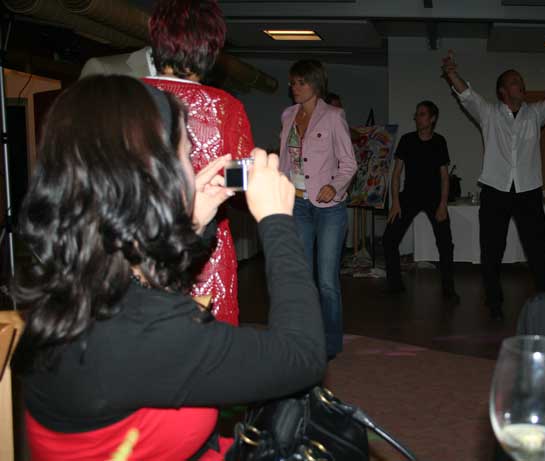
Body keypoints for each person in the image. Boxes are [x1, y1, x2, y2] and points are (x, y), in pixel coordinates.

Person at [11, 75, 325, 461]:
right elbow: (302, 355)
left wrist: (190, 225)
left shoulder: (71, 283)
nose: (191, 168)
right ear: (155, 176)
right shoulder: (146, 329)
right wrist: (277, 222)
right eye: (184, 156)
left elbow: (144, 285)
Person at [441, 50, 545, 320]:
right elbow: (466, 95)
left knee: (539, 250)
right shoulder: (489, 113)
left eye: (521, 81)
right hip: (495, 190)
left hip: (528, 191)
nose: (521, 84)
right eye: (515, 81)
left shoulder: (535, 113)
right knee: (491, 250)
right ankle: (494, 303)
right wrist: (451, 73)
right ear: (503, 91)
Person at [144, 0, 254, 326]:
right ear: (210, 50)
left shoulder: (122, 99)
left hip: (136, 249)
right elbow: (242, 191)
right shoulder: (226, 108)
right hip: (206, 254)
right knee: (208, 347)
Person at [278, 59, 357, 359]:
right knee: (302, 278)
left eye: (300, 82)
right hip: (298, 204)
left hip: (329, 208)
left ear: (314, 83)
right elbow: (285, 162)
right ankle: (305, 337)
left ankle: (331, 343)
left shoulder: (334, 116)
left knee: (326, 281)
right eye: (292, 83)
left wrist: (334, 186)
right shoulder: (288, 115)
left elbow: (349, 163)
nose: (294, 88)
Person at [383, 100, 459, 303]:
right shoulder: (407, 140)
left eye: (422, 114)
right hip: (409, 196)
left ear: (432, 118)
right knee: (389, 239)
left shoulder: (439, 141)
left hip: (434, 198)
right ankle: (395, 285)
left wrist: (443, 204)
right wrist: (395, 202)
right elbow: (396, 174)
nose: (417, 117)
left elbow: (444, 177)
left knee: (445, 243)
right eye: (417, 114)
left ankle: (448, 289)